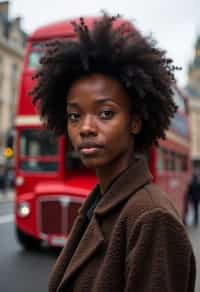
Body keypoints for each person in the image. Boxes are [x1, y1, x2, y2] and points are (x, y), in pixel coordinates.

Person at [31, 14, 196, 292]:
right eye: (74, 115)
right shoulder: (100, 202)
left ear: (135, 121)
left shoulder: (152, 218)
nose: (85, 128)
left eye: (105, 113)